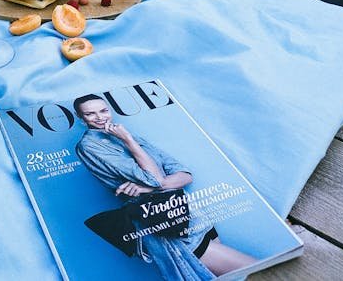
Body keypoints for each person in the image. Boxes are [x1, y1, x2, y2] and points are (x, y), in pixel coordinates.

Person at [74, 95, 256, 280]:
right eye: (90, 114)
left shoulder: (126, 135)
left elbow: (184, 175)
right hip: (164, 220)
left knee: (235, 277)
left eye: (103, 110)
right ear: (81, 117)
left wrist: (147, 187)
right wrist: (128, 140)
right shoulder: (89, 146)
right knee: (253, 269)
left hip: (191, 212)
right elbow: (155, 178)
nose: (100, 117)